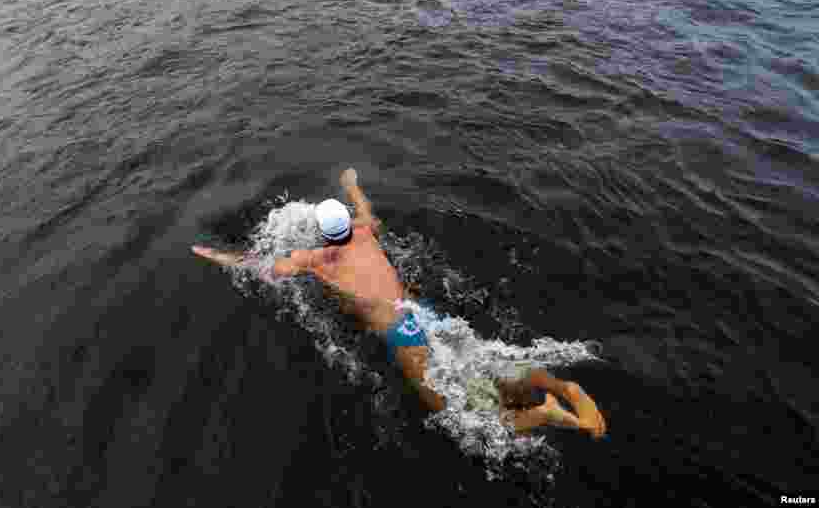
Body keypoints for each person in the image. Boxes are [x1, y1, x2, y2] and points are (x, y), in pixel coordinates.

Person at [191, 168, 607, 437]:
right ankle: (556, 384)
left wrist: (219, 257)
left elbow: (261, 266)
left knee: (454, 410)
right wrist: (352, 184)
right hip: (421, 311)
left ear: (319, 234)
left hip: (399, 332)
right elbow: (364, 207)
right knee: (481, 361)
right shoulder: (367, 231)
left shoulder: (314, 260)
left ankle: (548, 413)